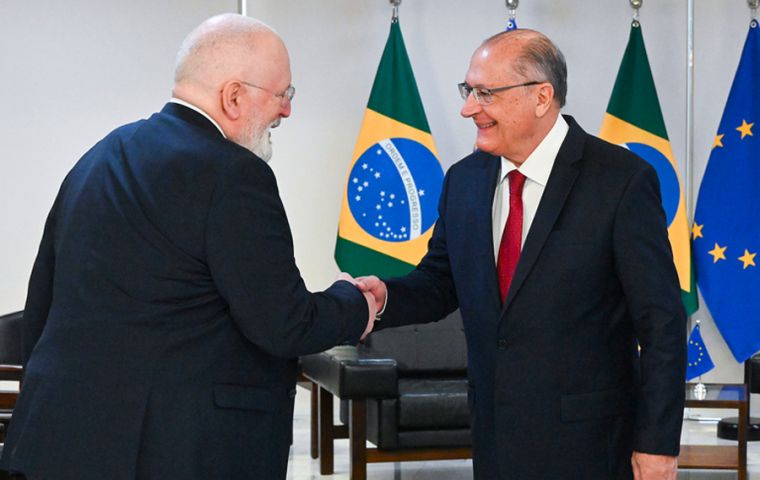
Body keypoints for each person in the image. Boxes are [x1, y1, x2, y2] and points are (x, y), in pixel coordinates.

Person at [0, 14, 376, 480]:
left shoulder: (99, 156)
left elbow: (44, 302)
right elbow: (282, 323)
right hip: (173, 451)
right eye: (283, 94)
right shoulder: (234, 175)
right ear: (233, 96)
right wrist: (357, 304)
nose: (287, 111)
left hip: (56, 440)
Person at [357, 29, 686, 480]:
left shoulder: (621, 181)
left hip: (590, 444)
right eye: (468, 90)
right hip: (496, 436)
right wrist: (385, 297)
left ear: (541, 97)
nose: (468, 107)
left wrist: (657, 446)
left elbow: (662, 321)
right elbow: (440, 281)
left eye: (485, 93)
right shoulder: (464, 180)